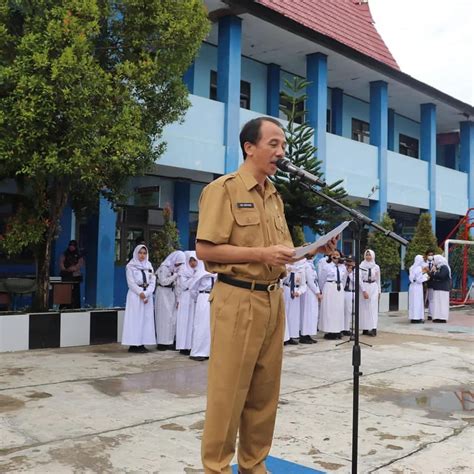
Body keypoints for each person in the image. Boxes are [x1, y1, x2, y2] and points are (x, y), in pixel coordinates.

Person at [195, 117, 336, 474]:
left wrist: (315, 250)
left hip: (273, 299)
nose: (281, 152)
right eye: (273, 144)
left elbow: (283, 251)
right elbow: (205, 250)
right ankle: (216, 467)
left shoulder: (274, 196)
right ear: (249, 147)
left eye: (283, 145)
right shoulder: (224, 190)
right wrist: (260, 255)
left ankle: (253, 464)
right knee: (229, 393)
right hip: (238, 298)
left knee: (264, 393)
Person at [121, 245, 156, 353]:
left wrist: (147, 292)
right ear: (136, 253)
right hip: (135, 296)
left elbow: (153, 280)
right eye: (140, 253)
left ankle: (142, 343)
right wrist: (140, 292)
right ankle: (133, 344)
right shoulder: (131, 266)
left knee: (146, 319)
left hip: (147, 296)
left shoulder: (149, 266)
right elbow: (130, 283)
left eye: (144, 253)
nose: (142, 255)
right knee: (135, 319)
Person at [154, 250, 185, 351]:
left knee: (171, 318)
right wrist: (175, 276)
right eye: (178, 263)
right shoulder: (164, 268)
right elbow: (163, 281)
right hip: (163, 293)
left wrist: (178, 299)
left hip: (170, 294)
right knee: (163, 318)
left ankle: (169, 341)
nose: (178, 265)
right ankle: (162, 343)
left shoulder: (173, 270)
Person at [189, 261, 215, 361]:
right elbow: (192, 289)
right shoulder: (200, 273)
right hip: (203, 297)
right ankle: (197, 352)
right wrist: (199, 298)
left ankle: (208, 352)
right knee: (201, 325)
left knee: (210, 325)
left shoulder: (216, 273)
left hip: (213, 297)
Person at [319, 249, 346, 340]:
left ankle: (338, 330)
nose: (335, 256)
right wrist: (321, 290)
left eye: (337, 254)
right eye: (333, 254)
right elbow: (322, 279)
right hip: (329, 287)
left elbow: (344, 279)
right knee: (330, 309)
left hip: (339, 288)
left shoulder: (343, 267)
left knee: (338, 310)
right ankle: (330, 331)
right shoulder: (326, 266)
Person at [175, 251, 199, 356]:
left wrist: (194, 280)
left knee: (192, 322)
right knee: (184, 322)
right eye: (191, 260)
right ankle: (182, 347)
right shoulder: (183, 271)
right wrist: (194, 280)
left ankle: (190, 346)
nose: (193, 263)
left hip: (193, 299)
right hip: (185, 298)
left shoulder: (198, 271)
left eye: (194, 260)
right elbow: (184, 285)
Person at [283, 259, 307, 345]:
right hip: (286, 290)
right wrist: (288, 272)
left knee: (293, 315)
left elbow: (303, 284)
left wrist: (299, 292)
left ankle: (291, 336)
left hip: (295, 293)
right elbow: (281, 280)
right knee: (285, 314)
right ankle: (284, 337)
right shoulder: (285, 266)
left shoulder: (300, 269)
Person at [300, 255, 321, 343]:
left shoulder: (311, 265)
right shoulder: (306, 265)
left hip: (313, 291)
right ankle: (304, 335)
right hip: (309, 291)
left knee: (312, 314)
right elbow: (310, 281)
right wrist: (317, 292)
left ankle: (308, 334)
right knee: (308, 313)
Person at [359, 249, 381, 336]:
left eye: (369, 255)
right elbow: (359, 279)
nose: (368, 257)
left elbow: (378, 280)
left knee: (373, 307)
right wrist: (363, 290)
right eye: (366, 255)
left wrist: (379, 291)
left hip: (373, 286)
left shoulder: (376, 267)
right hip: (364, 286)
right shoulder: (361, 266)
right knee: (364, 307)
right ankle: (365, 327)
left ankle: (373, 327)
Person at [59, 240, 84, 308]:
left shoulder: (79, 254)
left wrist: (73, 268)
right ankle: (64, 306)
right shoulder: (65, 253)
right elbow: (61, 262)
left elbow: (79, 264)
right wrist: (65, 269)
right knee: (65, 291)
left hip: (75, 276)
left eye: (73, 246)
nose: (71, 247)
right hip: (66, 275)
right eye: (70, 245)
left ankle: (75, 306)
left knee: (75, 292)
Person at [430, 255, 451, 323]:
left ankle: (443, 318)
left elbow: (441, 276)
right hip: (437, 288)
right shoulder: (438, 267)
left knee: (442, 303)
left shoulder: (444, 267)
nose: (433, 262)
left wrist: (434, 272)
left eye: (434, 260)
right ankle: (437, 317)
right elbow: (433, 275)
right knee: (437, 303)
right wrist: (433, 272)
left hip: (443, 289)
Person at [408, 255, 429, 324]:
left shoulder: (411, 267)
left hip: (412, 287)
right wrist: (426, 277)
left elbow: (412, 278)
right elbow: (419, 280)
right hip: (418, 287)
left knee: (412, 302)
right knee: (418, 302)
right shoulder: (419, 268)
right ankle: (417, 318)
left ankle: (413, 317)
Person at [342, 255, 357, 336]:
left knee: (348, 311)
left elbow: (355, 282)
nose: (349, 263)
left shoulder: (356, 271)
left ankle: (347, 328)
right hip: (343, 291)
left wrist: (350, 273)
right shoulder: (343, 269)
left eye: (351, 262)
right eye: (348, 261)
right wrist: (346, 272)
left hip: (350, 291)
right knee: (341, 310)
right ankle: (341, 328)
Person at [423, 249, 435, 320]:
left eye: (432, 255)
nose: (430, 256)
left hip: (432, 283)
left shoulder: (435, 263)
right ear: (426, 255)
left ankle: (430, 314)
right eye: (429, 255)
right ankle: (421, 314)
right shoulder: (423, 263)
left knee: (431, 299)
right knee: (424, 299)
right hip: (424, 283)